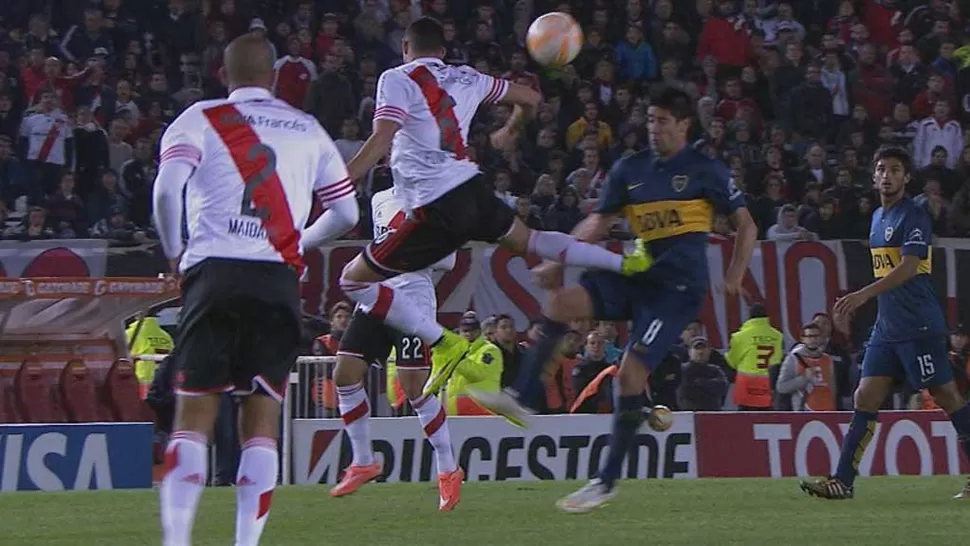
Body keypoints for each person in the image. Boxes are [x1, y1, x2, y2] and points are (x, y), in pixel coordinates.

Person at [472, 86, 758, 512]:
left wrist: (735, 273)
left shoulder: (705, 170)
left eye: (663, 121)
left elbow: (746, 225)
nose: (654, 128)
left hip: (675, 291)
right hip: (635, 274)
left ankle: (605, 482)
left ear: (683, 124)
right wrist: (557, 259)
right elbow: (598, 222)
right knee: (559, 303)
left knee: (629, 375)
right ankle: (522, 395)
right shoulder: (631, 168)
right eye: (650, 120)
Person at [336, 17, 651, 394]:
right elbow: (530, 98)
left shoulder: (396, 78)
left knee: (352, 279)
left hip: (434, 204)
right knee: (531, 239)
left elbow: (380, 138)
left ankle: (444, 343)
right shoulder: (466, 76)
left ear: (406, 47)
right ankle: (626, 261)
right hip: (471, 187)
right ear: (442, 51)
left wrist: (339, 183)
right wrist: (511, 130)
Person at [152, 34, 359, 546]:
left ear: (224, 75)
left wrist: (174, 251)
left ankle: (176, 541)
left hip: (214, 272)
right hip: (276, 277)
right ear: (273, 77)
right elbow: (347, 212)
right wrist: (298, 241)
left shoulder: (200, 117)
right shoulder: (307, 127)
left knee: (194, 415)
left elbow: (166, 188)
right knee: (261, 419)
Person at [800, 146, 970, 500]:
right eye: (881, 169)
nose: (887, 175)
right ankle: (842, 481)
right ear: (874, 177)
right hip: (887, 328)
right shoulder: (878, 216)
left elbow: (909, 267)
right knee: (865, 397)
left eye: (895, 170)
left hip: (919, 325)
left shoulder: (914, 215)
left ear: (906, 177)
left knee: (947, 398)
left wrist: (863, 295)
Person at [328, 186, 463, 511]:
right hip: (374, 296)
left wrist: (411, 253)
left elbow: (449, 260)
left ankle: (448, 468)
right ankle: (363, 461)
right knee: (345, 374)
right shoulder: (380, 199)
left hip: (413, 301)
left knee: (414, 389)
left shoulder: (435, 200)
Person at [725, 304, 784, 411]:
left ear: (749, 317)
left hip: (746, 384)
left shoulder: (739, 336)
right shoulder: (777, 335)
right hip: (768, 384)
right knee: (767, 417)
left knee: (746, 418)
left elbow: (732, 361)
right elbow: (777, 359)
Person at [776, 323, 837, 411]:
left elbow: (832, 387)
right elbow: (781, 387)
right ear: (803, 339)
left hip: (828, 409)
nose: (813, 339)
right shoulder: (793, 358)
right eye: (809, 336)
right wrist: (803, 378)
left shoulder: (827, 359)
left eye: (816, 336)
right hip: (805, 410)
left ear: (821, 338)